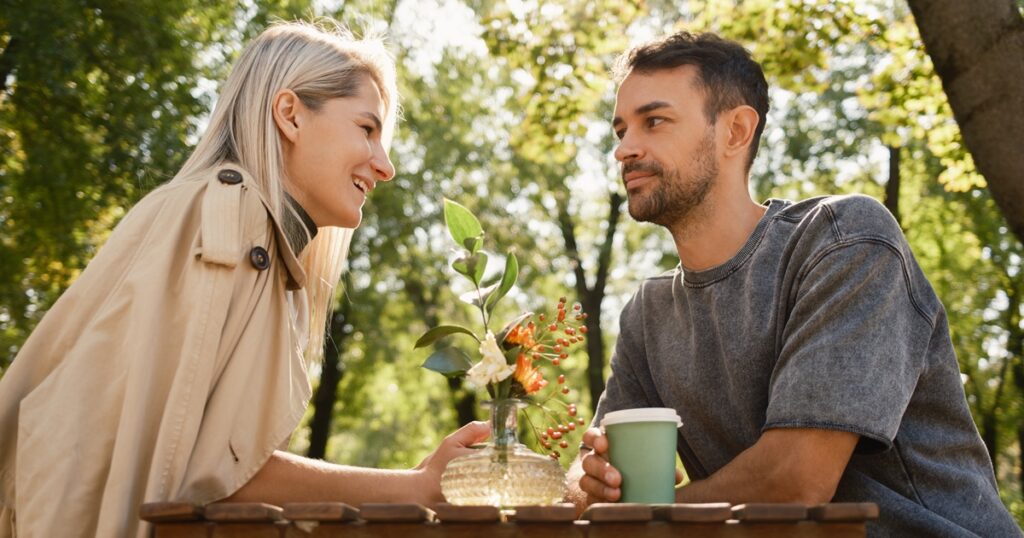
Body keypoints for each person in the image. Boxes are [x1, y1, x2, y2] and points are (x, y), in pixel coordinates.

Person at [0, 21, 487, 538]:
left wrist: (414, 480)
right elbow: (197, 476)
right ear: (290, 115)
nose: (384, 166)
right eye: (367, 129)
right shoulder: (226, 219)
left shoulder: (241, 232)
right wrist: (411, 488)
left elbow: (197, 463)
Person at [567, 31, 1020, 536]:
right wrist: (591, 485)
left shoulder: (845, 241)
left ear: (735, 131)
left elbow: (795, 481)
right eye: (620, 130)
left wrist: (647, 516)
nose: (625, 150)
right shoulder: (648, 314)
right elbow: (592, 473)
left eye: (654, 122)